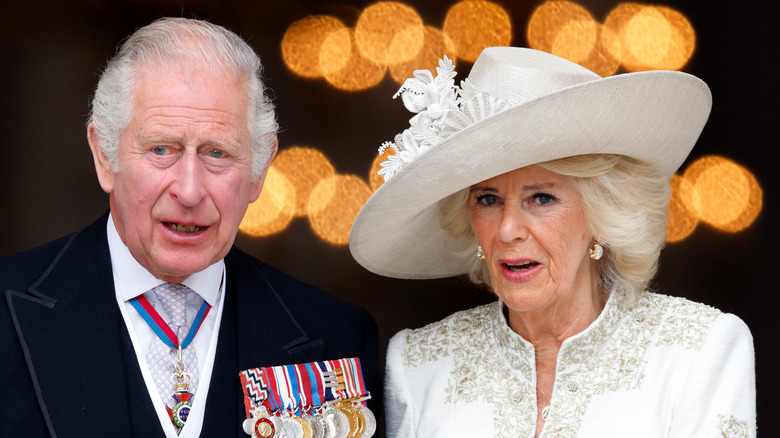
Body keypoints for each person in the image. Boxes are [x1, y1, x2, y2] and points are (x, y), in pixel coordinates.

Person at [0, 17, 379, 438]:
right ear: (105, 156)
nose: (190, 189)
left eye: (217, 153)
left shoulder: (337, 333)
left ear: (258, 170)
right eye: (162, 149)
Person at [349, 47, 755, 437]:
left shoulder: (700, 350)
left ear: (602, 214)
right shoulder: (418, 363)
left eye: (541, 198)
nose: (508, 229)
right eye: (488, 200)